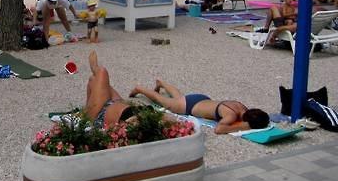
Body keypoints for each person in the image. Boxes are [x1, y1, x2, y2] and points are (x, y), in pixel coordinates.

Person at [129, 79, 269, 134]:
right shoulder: (231, 115)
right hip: (191, 106)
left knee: (178, 98)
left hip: (203, 100)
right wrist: (244, 127)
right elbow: (219, 129)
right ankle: (139, 89)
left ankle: (161, 83)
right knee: (162, 100)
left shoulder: (242, 108)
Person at [83, 51, 136, 129]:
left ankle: (94, 68)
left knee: (101, 73)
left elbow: (112, 131)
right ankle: (87, 108)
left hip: (100, 116)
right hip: (118, 105)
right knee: (94, 80)